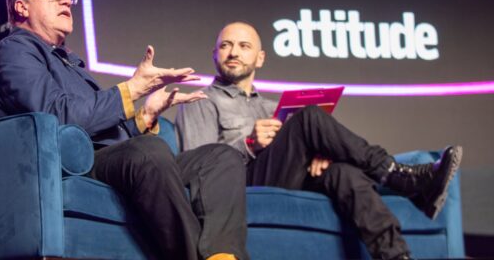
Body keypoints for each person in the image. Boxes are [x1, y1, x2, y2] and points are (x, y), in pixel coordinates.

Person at [0, 0, 249, 260]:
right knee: (147, 152)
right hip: (68, 163)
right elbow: (59, 116)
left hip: (107, 158)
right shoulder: (14, 50)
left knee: (220, 157)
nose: (66, 0)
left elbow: (107, 131)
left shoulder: (70, 62)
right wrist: (133, 88)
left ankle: (221, 256)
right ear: (21, 7)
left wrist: (146, 115)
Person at [176, 22, 462, 260]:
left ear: (260, 58)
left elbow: (293, 152)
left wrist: (320, 153)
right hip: (241, 185)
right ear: (214, 54)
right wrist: (248, 144)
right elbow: (199, 167)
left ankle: (395, 254)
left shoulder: (270, 107)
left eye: (244, 46)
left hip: (285, 177)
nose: (233, 52)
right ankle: (396, 175)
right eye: (226, 45)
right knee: (309, 116)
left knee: (342, 173)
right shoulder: (200, 101)